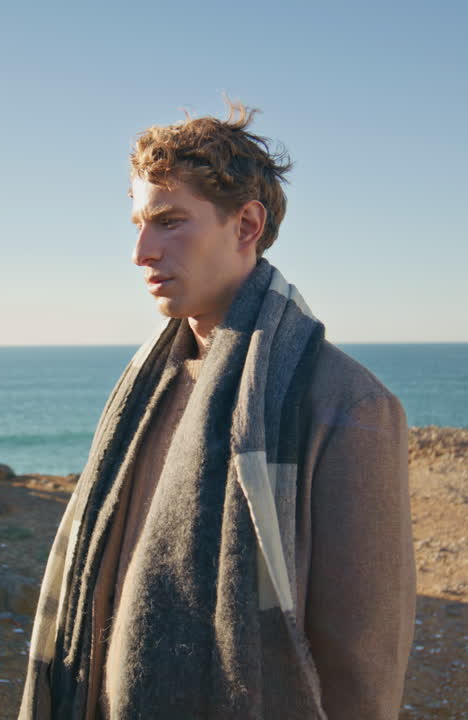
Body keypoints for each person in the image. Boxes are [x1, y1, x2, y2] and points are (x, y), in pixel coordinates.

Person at [21, 104, 416, 720]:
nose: (141, 251)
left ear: (246, 225)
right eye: (138, 224)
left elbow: (361, 666)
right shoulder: (145, 386)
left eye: (170, 222)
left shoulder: (347, 405)